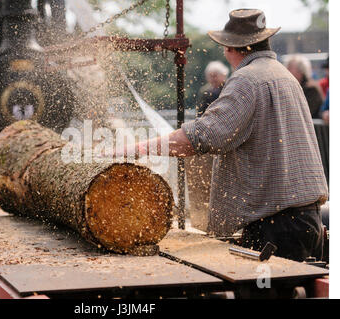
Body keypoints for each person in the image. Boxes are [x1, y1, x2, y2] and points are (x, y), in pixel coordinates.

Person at [109, 9, 328, 262]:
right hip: (306, 219)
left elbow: (201, 137)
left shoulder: (247, 80)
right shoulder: (285, 76)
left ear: (230, 48)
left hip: (276, 228)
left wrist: (134, 149)